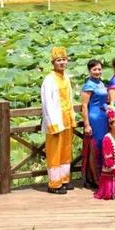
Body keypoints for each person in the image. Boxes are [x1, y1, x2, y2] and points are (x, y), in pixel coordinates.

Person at [41, 47, 76, 194]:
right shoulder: (49, 80)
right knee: (55, 152)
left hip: (67, 118)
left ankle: (64, 179)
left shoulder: (66, 77)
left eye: (64, 60)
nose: (62, 62)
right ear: (53, 62)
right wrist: (51, 123)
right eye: (58, 60)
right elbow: (47, 103)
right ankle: (54, 183)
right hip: (56, 120)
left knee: (66, 151)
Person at [81, 59, 108, 186]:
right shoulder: (89, 85)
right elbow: (85, 106)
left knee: (102, 146)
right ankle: (94, 177)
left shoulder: (101, 83)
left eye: (99, 69)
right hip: (94, 117)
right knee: (94, 147)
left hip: (103, 117)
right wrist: (87, 124)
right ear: (89, 71)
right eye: (94, 69)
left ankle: (102, 174)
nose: (97, 72)